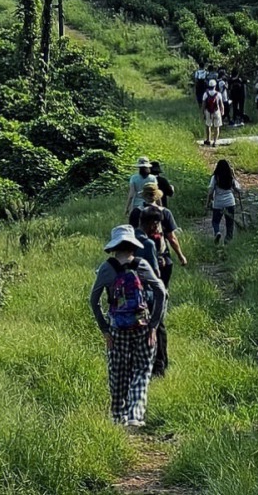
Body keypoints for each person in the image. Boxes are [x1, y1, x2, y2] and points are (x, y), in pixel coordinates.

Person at [89, 224, 166, 427]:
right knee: (142, 369)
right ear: (133, 246)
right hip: (142, 326)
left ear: (114, 248)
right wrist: (154, 325)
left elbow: (94, 300)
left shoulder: (106, 268)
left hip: (117, 328)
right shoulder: (141, 265)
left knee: (118, 371)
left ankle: (118, 416)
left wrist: (105, 329)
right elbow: (161, 292)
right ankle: (135, 414)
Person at [129, 183, 188, 286]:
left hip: (141, 255)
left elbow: (131, 235)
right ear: (156, 196)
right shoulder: (165, 212)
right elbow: (171, 238)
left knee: (142, 286)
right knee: (163, 287)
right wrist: (180, 255)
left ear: (143, 195)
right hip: (162, 256)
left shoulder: (136, 212)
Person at [136, 205, 169, 376]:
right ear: (152, 224)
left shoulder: (130, 237)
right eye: (157, 225)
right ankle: (160, 365)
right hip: (149, 293)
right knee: (158, 326)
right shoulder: (148, 243)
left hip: (132, 295)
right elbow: (155, 274)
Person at [206, 158, 242, 243]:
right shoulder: (230, 177)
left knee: (215, 221)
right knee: (230, 223)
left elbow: (210, 191)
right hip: (230, 202)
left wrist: (207, 203)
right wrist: (234, 176)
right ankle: (228, 240)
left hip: (218, 203)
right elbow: (238, 188)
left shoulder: (215, 177)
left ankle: (217, 232)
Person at [202, 78, 224, 146]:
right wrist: (222, 111)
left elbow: (203, 105)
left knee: (208, 126)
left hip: (208, 112)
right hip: (216, 111)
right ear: (215, 86)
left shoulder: (205, 94)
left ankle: (208, 140)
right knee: (216, 127)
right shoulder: (218, 94)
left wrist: (203, 113)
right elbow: (221, 104)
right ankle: (215, 142)